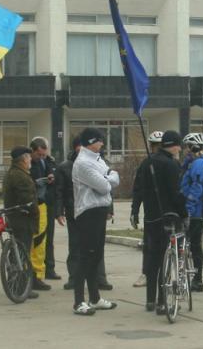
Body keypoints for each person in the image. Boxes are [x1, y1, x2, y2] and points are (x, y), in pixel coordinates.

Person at [131, 130, 187, 314]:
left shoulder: (147, 162)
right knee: (167, 260)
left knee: (153, 258)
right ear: (175, 145)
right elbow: (176, 193)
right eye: (179, 145)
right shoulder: (172, 164)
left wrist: (135, 210)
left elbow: (138, 189)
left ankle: (149, 300)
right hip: (168, 217)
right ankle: (162, 301)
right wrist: (184, 213)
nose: (180, 149)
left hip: (150, 217)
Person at [70, 127, 119, 315]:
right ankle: (78, 301)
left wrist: (109, 177)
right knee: (85, 256)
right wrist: (109, 178)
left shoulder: (96, 159)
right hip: (88, 212)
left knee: (96, 256)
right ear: (91, 142)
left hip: (100, 210)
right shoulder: (83, 162)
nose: (102, 143)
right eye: (99, 140)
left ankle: (95, 297)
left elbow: (114, 176)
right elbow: (104, 186)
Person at [55, 136, 112, 292]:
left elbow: (107, 186)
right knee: (75, 245)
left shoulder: (100, 163)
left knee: (97, 247)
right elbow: (59, 191)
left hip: (96, 210)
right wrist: (58, 212)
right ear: (75, 148)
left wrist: (109, 209)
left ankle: (100, 279)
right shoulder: (65, 167)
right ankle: (74, 278)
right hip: (74, 211)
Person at [2, 145, 40, 300]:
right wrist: (35, 211)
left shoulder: (14, 173)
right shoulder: (20, 176)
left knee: (17, 253)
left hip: (16, 219)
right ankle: (20, 286)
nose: (30, 160)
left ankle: (17, 285)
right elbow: (27, 199)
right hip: (21, 220)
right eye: (29, 157)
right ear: (24, 159)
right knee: (21, 255)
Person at [130, 130, 164, 288]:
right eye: (154, 146)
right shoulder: (145, 164)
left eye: (160, 145)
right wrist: (134, 210)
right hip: (151, 212)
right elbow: (138, 189)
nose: (157, 149)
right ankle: (146, 273)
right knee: (149, 244)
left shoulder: (171, 163)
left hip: (169, 211)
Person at [179, 132, 203, 292]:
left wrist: (188, 210)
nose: (184, 150)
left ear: (193, 147)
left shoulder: (199, 164)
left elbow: (197, 187)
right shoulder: (194, 162)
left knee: (195, 246)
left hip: (195, 212)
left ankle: (197, 280)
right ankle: (194, 278)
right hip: (195, 210)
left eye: (186, 147)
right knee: (193, 245)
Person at [29, 136, 59, 290]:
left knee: (46, 239)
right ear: (32, 151)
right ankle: (34, 275)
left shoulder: (47, 161)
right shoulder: (28, 164)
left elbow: (53, 173)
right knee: (36, 242)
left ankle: (45, 270)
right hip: (35, 204)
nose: (41, 157)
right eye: (39, 155)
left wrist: (51, 177)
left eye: (44, 155)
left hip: (46, 203)